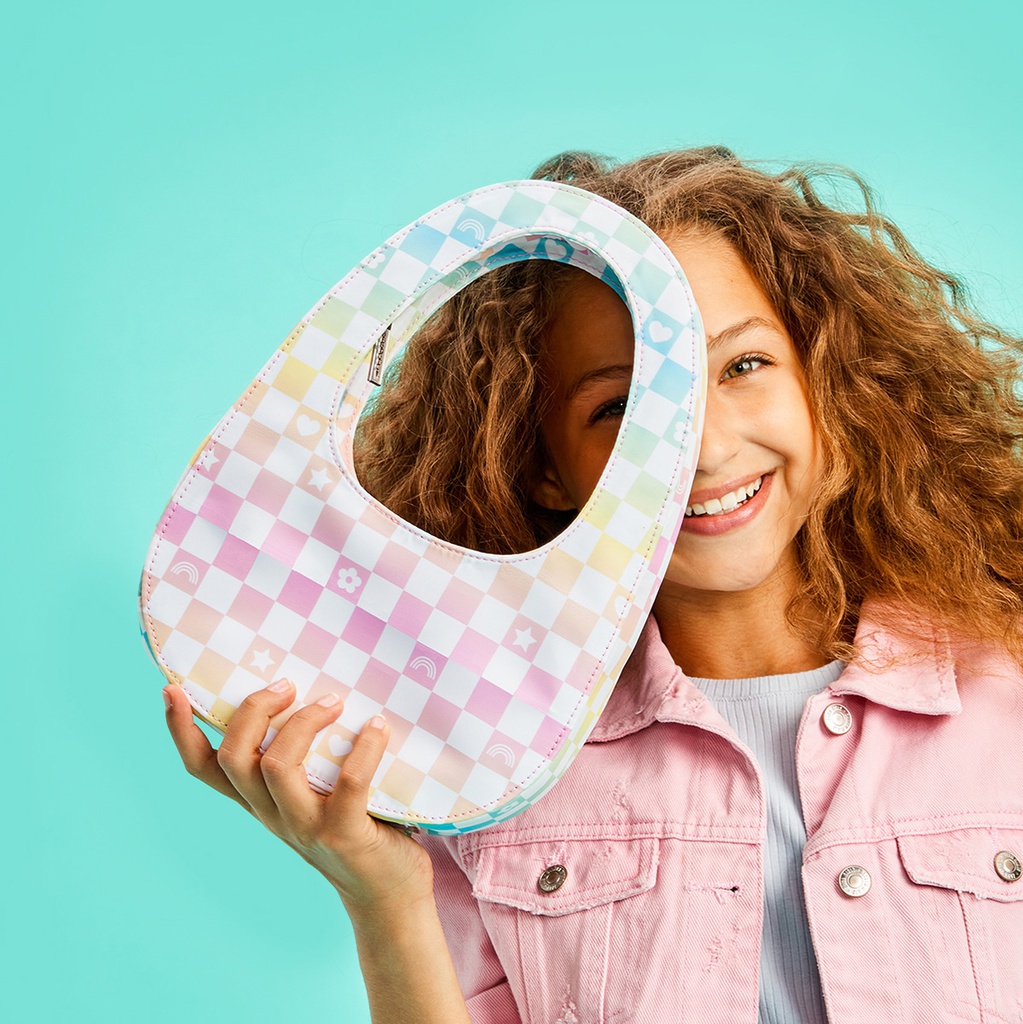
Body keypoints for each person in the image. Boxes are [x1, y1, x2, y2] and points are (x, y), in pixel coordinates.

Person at [162, 147, 1023, 1023]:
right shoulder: (485, 760)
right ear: (540, 469)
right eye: (616, 408)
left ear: (827, 384)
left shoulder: (1010, 690)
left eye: (743, 367)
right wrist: (383, 894)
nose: (707, 447)